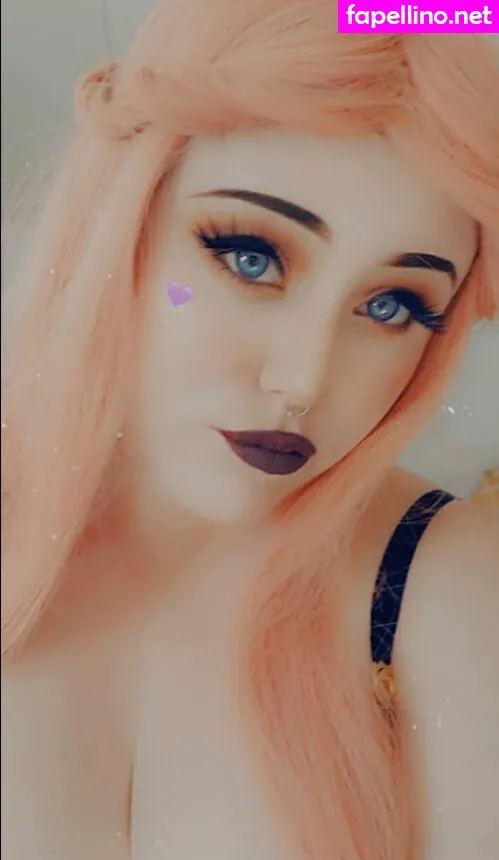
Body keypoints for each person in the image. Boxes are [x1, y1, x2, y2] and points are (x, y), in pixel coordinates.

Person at [2, 6, 499, 859]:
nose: (304, 378)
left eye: (392, 306)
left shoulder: (444, 583)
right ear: (120, 218)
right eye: (251, 258)